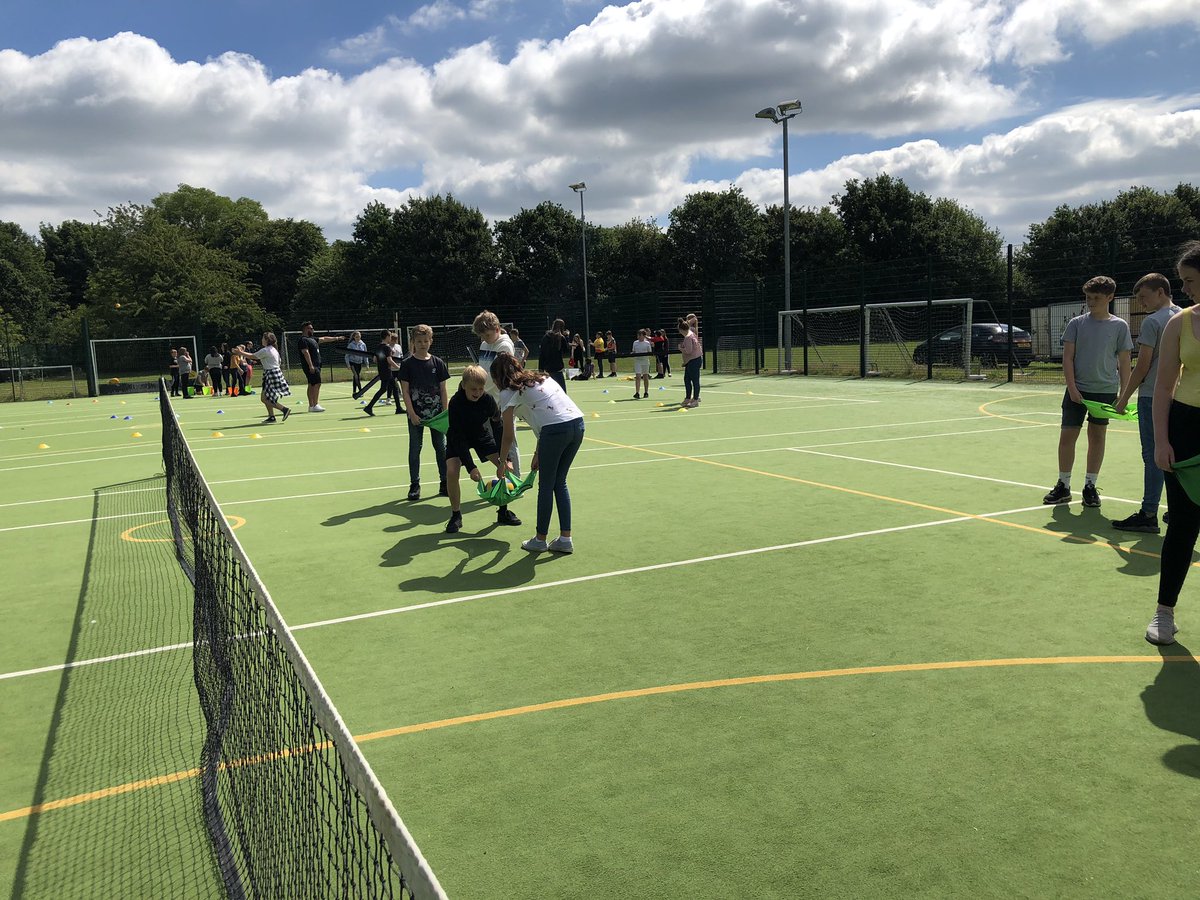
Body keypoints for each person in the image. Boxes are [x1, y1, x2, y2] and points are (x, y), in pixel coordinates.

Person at [1145, 242, 1200, 645]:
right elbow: (1163, 386)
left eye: (1191, 281)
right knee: (1182, 524)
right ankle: (1164, 613)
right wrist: (1162, 441)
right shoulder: (1178, 323)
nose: (1186, 289)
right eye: (1183, 282)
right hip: (1185, 428)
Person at [1042, 276, 1133, 509]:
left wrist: (1124, 395)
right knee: (1067, 437)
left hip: (1104, 392)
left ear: (1110, 297)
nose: (1091, 302)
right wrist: (1072, 387)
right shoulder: (1076, 323)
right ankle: (1063, 485)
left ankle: (1090, 486)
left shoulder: (1119, 326)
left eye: (1096, 298)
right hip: (1077, 391)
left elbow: (1124, 362)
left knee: (1097, 437)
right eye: (1088, 297)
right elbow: (1068, 357)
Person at [491, 354, 585, 554]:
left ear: (498, 378)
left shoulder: (508, 393)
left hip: (555, 432)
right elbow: (546, 415)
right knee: (560, 482)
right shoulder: (542, 378)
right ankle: (565, 539)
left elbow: (507, 435)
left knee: (546, 486)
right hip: (577, 425)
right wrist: (538, 452)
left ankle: (540, 539)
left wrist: (502, 463)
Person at [1111, 274, 1182, 534]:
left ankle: (1148, 513)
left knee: (1153, 455)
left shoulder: (1154, 321)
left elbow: (1142, 365)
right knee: (1176, 454)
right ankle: (1178, 510)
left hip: (1153, 395)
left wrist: (1124, 397)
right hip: (1181, 395)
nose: (1140, 302)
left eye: (1143, 296)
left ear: (1161, 292)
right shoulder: (1185, 316)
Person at [443, 365, 512, 534]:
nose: (477, 392)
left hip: (480, 434)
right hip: (458, 437)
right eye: (473, 389)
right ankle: (456, 515)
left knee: (503, 467)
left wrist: (506, 459)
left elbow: (498, 427)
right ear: (463, 385)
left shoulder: (487, 400)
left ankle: (503, 511)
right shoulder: (455, 403)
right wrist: (471, 467)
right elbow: (457, 437)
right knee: (451, 471)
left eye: (481, 389)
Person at [473, 310, 522, 526]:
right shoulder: (485, 344)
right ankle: (505, 479)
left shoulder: (505, 345)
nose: (483, 340)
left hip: (503, 402)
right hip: (486, 402)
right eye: (481, 336)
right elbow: (482, 370)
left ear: (496, 329)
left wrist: (479, 388)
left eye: (485, 335)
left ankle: (514, 483)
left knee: (508, 443)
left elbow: (497, 377)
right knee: (491, 444)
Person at [399, 324, 450, 501]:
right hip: (416, 415)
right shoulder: (407, 364)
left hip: (437, 416)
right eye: (419, 341)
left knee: (441, 448)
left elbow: (443, 390)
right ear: (413, 342)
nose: (422, 344)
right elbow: (405, 391)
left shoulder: (438, 363)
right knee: (415, 449)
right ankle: (414, 484)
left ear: (431, 341)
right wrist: (411, 413)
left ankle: (445, 482)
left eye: (426, 341)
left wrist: (445, 412)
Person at [231, 332, 292, 423]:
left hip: (271, 374)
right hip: (273, 373)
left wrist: (240, 352)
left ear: (267, 340)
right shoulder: (273, 349)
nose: (261, 340)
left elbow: (253, 356)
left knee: (264, 398)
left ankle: (284, 409)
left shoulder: (266, 350)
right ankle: (271, 417)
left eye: (263, 338)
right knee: (267, 397)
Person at [297, 322, 343, 413]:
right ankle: (315, 404)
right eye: (310, 328)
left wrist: (337, 338)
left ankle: (311, 406)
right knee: (317, 384)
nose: (312, 330)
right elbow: (306, 353)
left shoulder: (312, 339)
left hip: (316, 365)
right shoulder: (303, 340)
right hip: (312, 366)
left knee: (312, 384)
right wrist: (310, 365)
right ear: (306, 329)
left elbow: (324, 339)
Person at [363, 331, 401, 416]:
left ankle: (398, 408)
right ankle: (369, 407)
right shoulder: (387, 348)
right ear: (387, 337)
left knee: (394, 388)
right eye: (390, 336)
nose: (391, 338)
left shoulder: (378, 347)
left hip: (382, 370)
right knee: (383, 389)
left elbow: (375, 360)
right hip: (387, 371)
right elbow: (389, 360)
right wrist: (399, 367)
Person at [538, 319, 571, 391]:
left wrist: (540, 368)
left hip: (547, 368)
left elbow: (542, 353)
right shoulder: (561, 337)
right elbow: (566, 351)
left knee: (550, 391)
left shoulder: (545, 337)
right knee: (562, 391)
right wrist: (567, 337)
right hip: (557, 367)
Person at [679, 317, 702, 407]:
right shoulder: (691, 333)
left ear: (681, 330)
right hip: (691, 361)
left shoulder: (688, 337)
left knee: (695, 380)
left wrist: (681, 349)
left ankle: (695, 399)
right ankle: (688, 398)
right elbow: (692, 320)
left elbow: (688, 351)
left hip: (694, 361)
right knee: (687, 379)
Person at [631, 328, 653, 399]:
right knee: (638, 377)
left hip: (645, 361)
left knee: (645, 377)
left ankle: (646, 392)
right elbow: (633, 351)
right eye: (638, 335)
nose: (639, 336)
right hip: (637, 361)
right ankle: (637, 392)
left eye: (640, 335)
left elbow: (650, 352)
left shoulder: (647, 343)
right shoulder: (635, 343)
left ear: (644, 336)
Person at [346, 331, 369, 397]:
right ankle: (360, 391)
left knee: (356, 377)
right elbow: (347, 355)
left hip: (359, 363)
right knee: (356, 376)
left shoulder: (363, 344)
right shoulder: (351, 345)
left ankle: (354, 391)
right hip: (352, 362)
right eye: (356, 337)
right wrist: (348, 364)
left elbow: (365, 354)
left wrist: (367, 363)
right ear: (354, 337)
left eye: (359, 337)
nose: (358, 338)